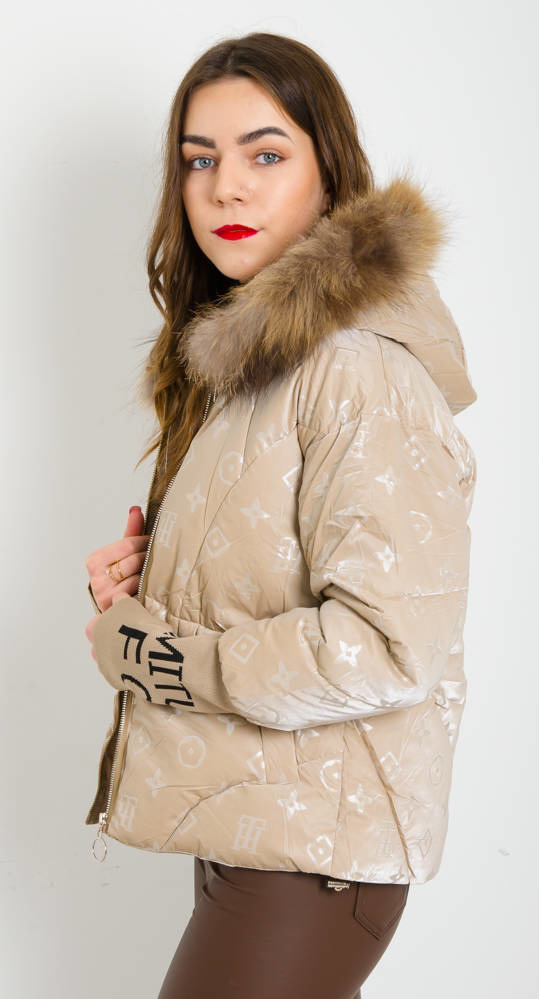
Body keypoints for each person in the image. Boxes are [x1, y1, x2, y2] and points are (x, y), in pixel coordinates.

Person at [83, 31, 477, 999]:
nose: (225, 187)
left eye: (264, 154)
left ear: (327, 171)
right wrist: (151, 584)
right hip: (256, 825)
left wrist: (165, 659)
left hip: (315, 855)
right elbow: (272, 575)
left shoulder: (356, 369)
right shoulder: (251, 371)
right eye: (199, 160)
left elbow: (387, 646)